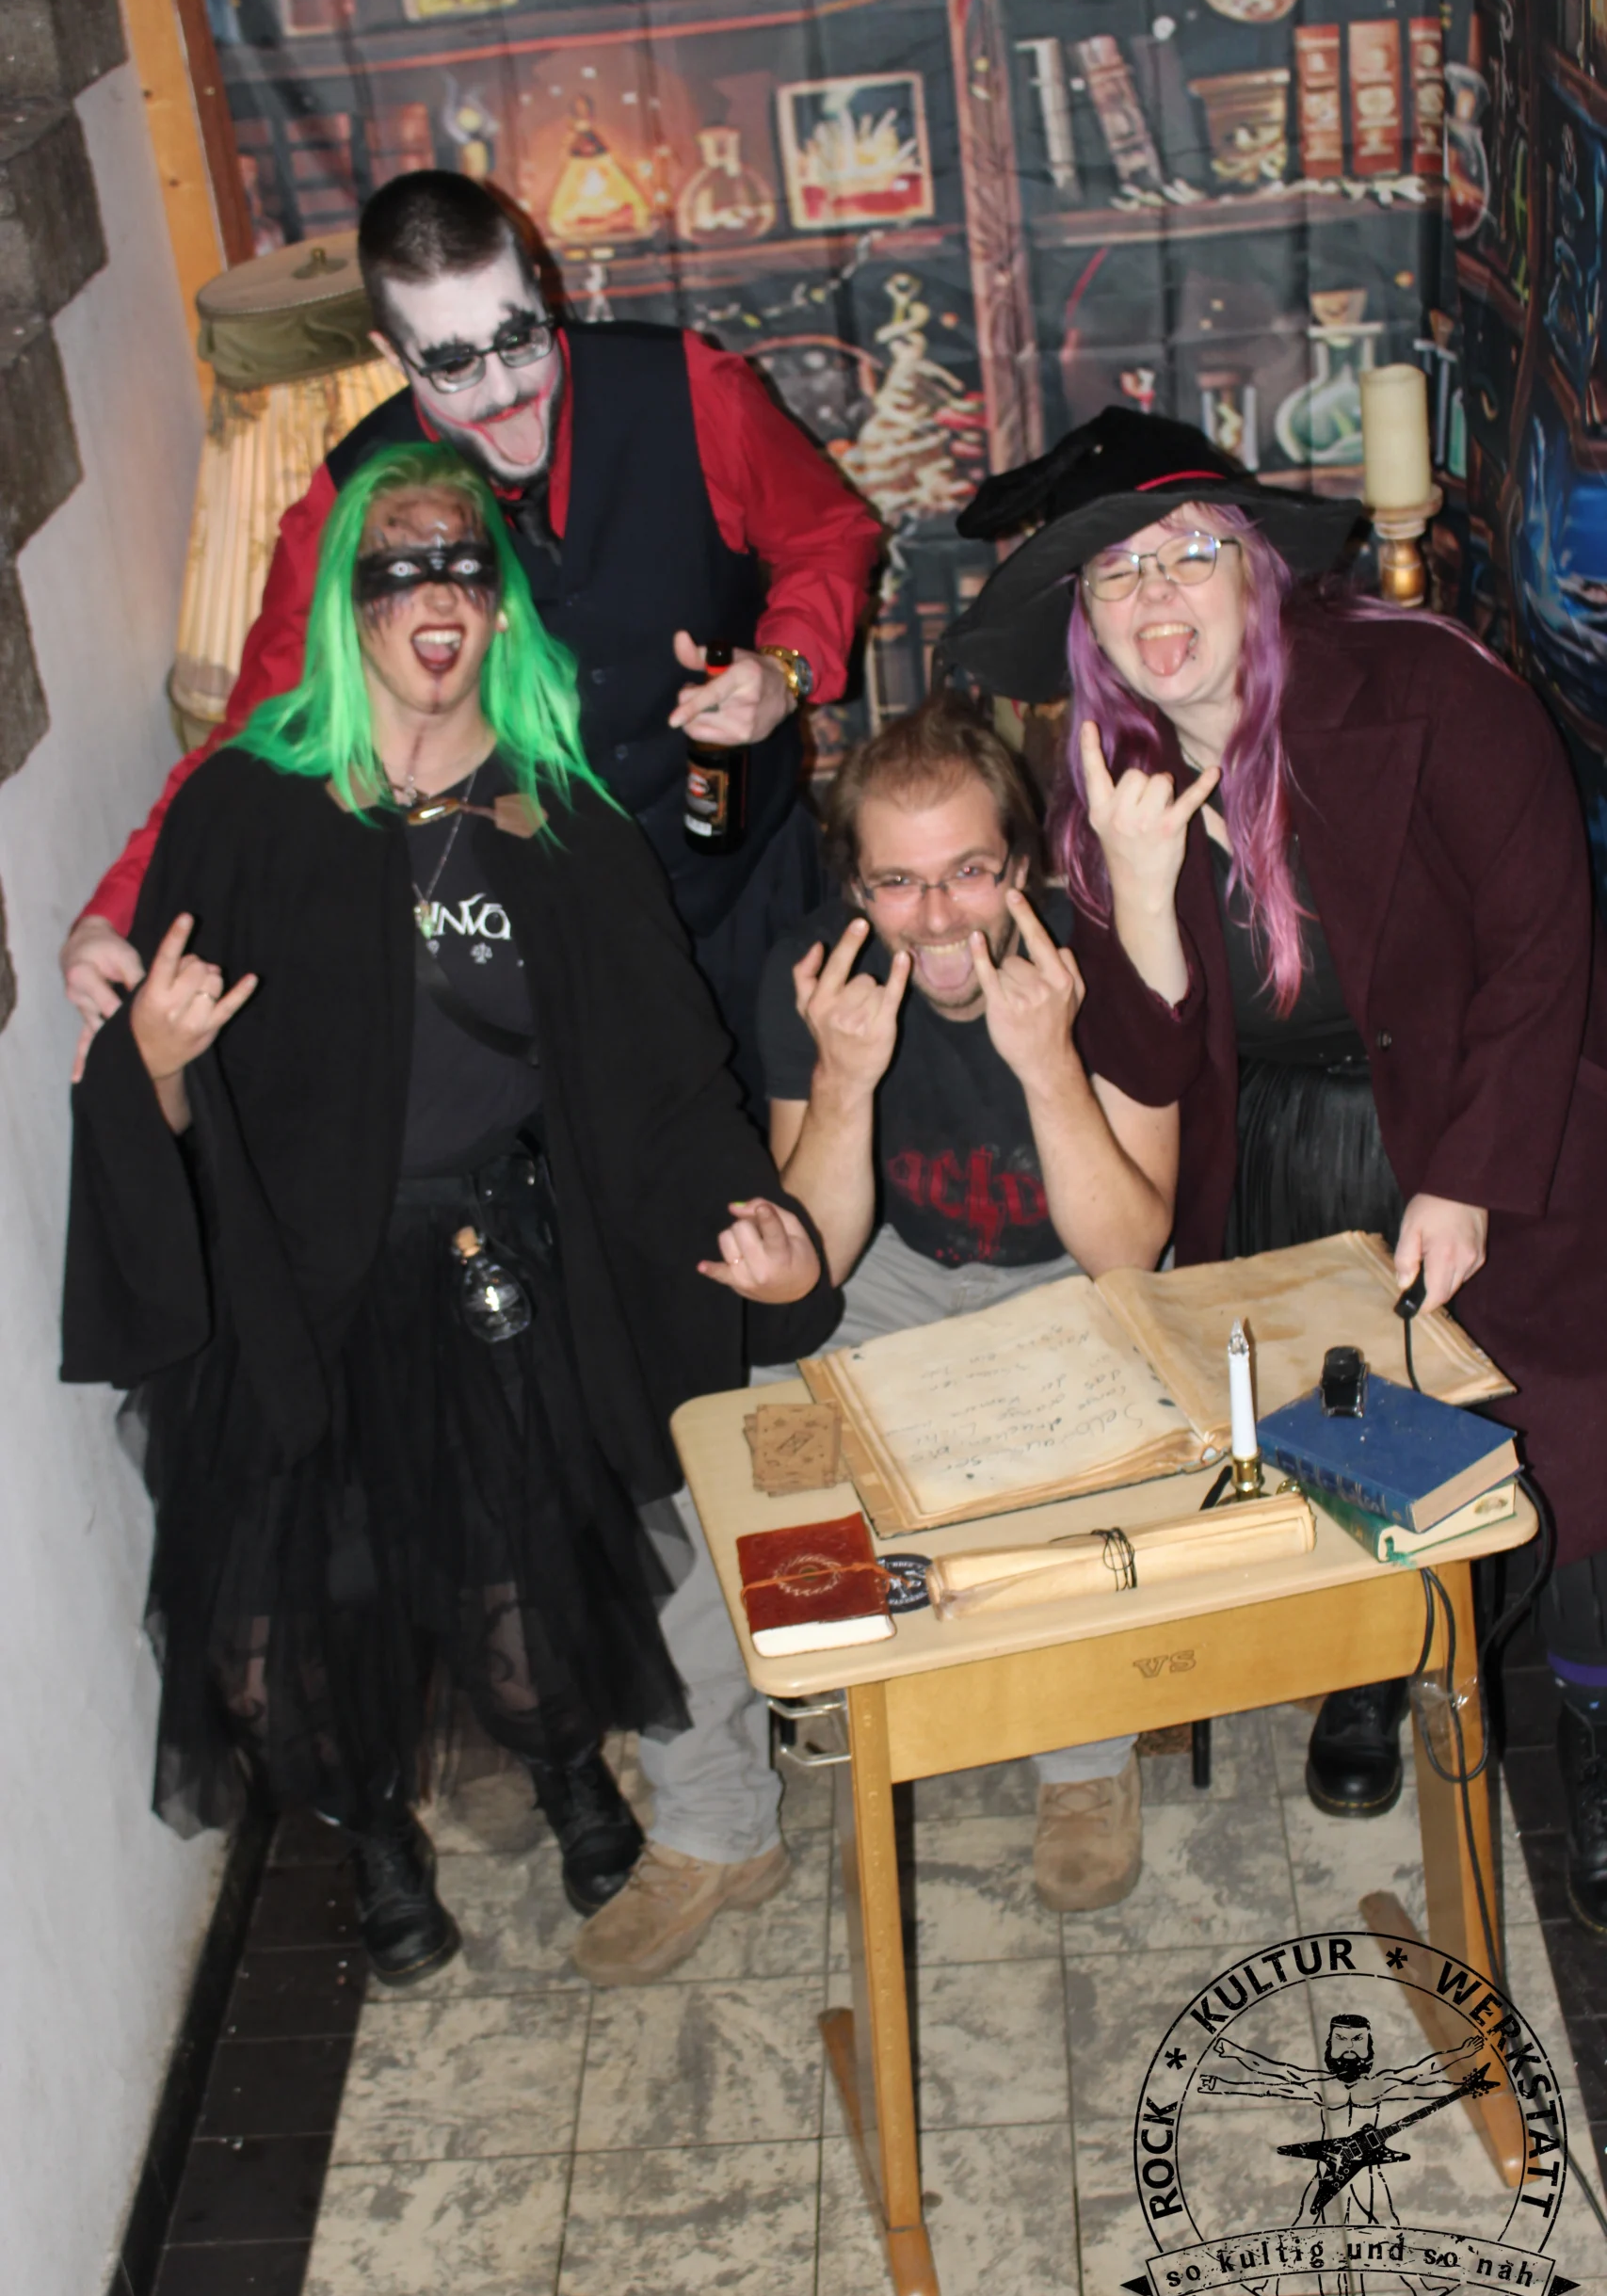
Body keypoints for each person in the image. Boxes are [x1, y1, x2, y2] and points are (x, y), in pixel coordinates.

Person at [61, 442, 840, 1984]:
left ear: (500, 609)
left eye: (464, 565)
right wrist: (149, 1059)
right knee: (271, 1642)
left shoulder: (562, 826)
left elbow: (664, 1079)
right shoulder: (247, 808)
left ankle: (566, 1782)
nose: (436, 593)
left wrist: (764, 1233)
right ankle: (370, 1839)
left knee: (524, 1606)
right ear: (344, 601)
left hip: (490, 1263)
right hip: (289, 1285)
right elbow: (158, 1096)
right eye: (398, 566)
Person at [941, 407, 1607, 1933]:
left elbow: (1540, 945)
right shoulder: (1101, 784)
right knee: (1344, 1434)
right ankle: (1367, 1669)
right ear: (1087, 621)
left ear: (1253, 570)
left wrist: (1464, 1178)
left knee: (1567, 1440)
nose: (1156, 595)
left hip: (1494, 1119)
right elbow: (1150, 1068)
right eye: (1117, 575)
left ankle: (1588, 1715)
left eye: (1187, 553)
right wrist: (1138, 891)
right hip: (1290, 1155)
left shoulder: (1425, 684)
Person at [59, 169, 881, 1100]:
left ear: (542, 286)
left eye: (520, 338)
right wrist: (115, 911)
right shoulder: (352, 499)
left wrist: (785, 669)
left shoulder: (689, 388)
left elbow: (828, 536)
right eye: (452, 364)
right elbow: (257, 736)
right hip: (545, 934)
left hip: (750, 887)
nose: (503, 393)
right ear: (390, 352)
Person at [755, 697, 1178, 1910]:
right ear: (857, 887)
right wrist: (844, 1083)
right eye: (898, 882)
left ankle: (1084, 1761)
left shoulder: (1104, 956)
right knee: (762, 1423)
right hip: (899, 1256)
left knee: (1084, 1442)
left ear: (1023, 865)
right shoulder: (817, 972)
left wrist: (1048, 1063)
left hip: (1069, 1268)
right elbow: (815, 1264)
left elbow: (1129, 1248)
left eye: (969, 872)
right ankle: (838, 1690)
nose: (937, 917)